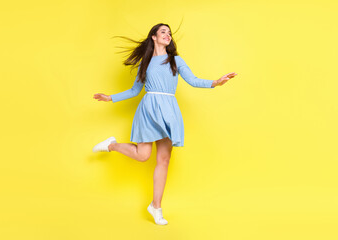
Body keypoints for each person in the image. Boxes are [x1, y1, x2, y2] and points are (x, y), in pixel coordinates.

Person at [93, 23, 237, 225]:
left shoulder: (175, 60)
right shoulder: (145, 62)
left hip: (168, 110)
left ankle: (156, 207)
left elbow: (194, 80)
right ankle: (112, 145)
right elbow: (135, 91)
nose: (168, 35)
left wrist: (215, 82)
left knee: (164, 159)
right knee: (143, 156)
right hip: (149, 110)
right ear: (153, 36)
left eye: (169, 33)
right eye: (163, 32)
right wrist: (110, 98)